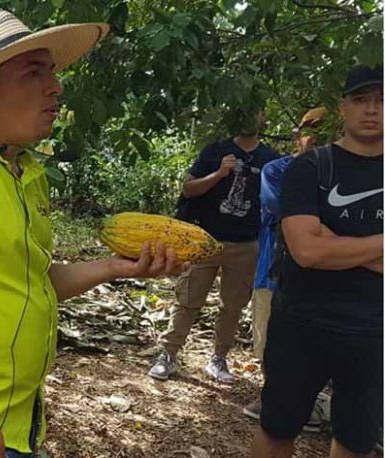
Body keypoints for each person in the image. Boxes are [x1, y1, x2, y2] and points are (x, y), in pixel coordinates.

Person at [0, 11, 186, 457]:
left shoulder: (25, 173)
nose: (55, 87)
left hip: (16, 422)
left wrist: (116, 267)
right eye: (34, 73)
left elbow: (29, 282)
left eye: (52, 72)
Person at [252, 64, 382, 458]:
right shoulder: (311, 167)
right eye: (361, 100)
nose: (372, 109)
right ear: (343, 107)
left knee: (355, 440)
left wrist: (333, 241)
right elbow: (306, 251)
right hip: (302, 324)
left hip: (374, 332)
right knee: (277, 428)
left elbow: (318, 246)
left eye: (381, 100)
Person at [148, 106, 280, 383]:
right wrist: (219, 174)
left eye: (254, 111)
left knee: (233, 306)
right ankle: (168, 354)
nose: (249, 117)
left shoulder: (270, 159)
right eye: (243, 111)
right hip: (203, 240)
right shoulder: (215, 150)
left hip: (246, 244)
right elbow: (189, 189)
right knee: (187, 299)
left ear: (263, 116)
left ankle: (219, 358)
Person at [242, 107, 331, 431]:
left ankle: (313, 405)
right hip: (274, 272)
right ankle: (273, 399)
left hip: (329, 277)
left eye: (326, 130)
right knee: (270, 341)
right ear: (297, 136)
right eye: (311, 130)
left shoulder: (347, 176)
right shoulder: (276, 170)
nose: (318, 138)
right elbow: (290, 214)